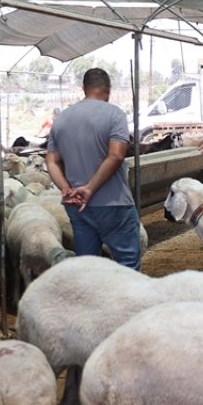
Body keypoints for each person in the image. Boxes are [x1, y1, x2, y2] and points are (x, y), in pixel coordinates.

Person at [45, 68, 142, 270]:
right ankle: (128, 302)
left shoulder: (61, 119)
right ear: (108, 89)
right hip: (113, 203)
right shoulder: (114, 114)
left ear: (84, 88)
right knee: (127, 264)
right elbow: (116, 155)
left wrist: (65, 189)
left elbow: (52, 162)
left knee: (87, 266)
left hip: (76, 205)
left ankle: (90, 301)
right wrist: (90, 188)